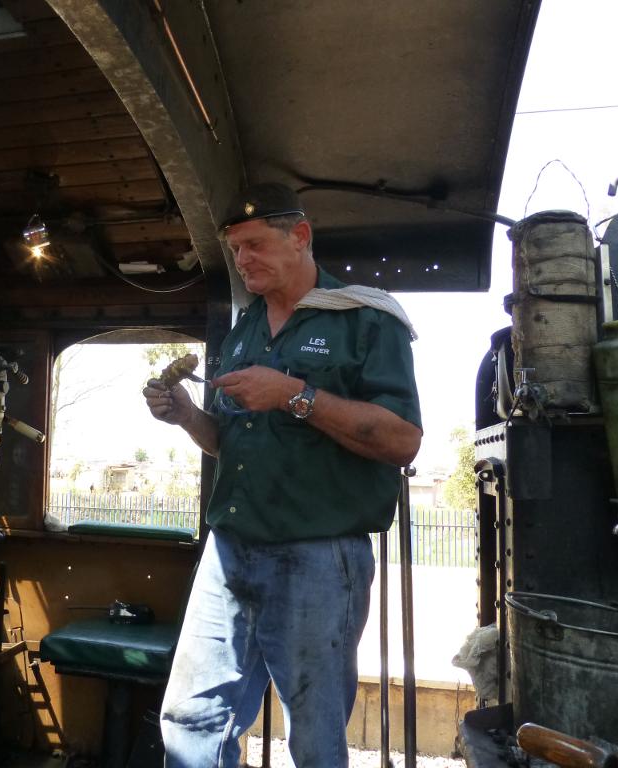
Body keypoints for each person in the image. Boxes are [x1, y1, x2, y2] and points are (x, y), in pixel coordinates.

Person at [142, 182, 422, 767]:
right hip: (229, 550)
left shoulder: (366, 318)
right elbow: (232, 442)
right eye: (235, 251)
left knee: (314, 738)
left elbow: (402, 440)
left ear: (300, 237)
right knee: (190, 719)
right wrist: (188, 416)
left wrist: (297, 396)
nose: (243, 261)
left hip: (317, 556)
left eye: (254, 245)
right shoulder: (244, 331)